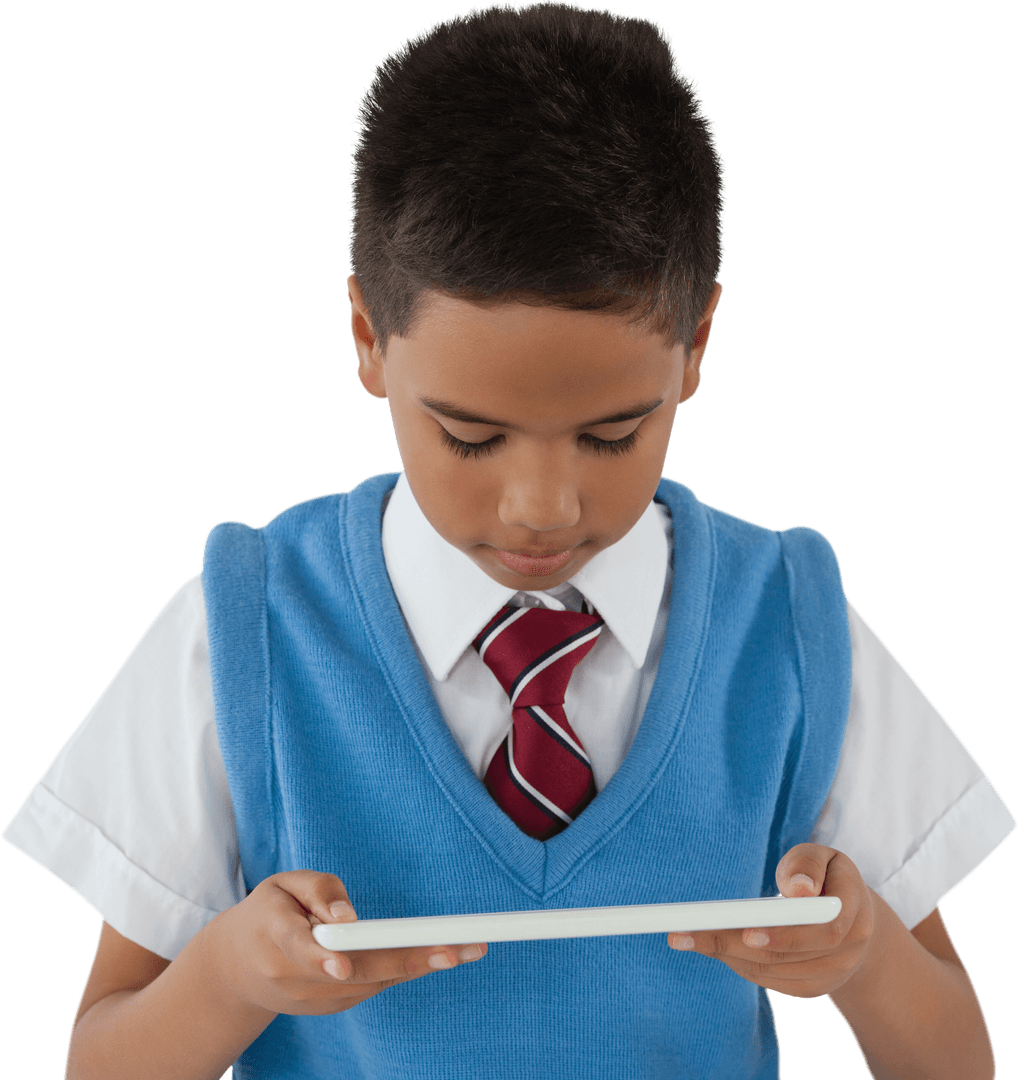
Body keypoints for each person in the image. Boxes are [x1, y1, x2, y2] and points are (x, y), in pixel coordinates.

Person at [3, 2, 1014, 1077]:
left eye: (611, 434)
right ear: (366, 339)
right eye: (470, 437)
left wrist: (859, 961)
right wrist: (228, 979)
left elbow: (950, 1054)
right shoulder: (242, 633)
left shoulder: (792, 631)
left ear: (695, 346)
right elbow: (99, 1058)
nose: (542, 507)